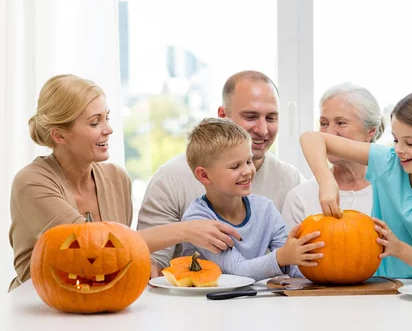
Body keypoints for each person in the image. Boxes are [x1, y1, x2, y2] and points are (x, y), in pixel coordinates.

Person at [8, 75, 241, 292]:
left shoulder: (116, 179)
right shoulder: (32, 182)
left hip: (102, 303)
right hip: (40, 306)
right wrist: (185, 230)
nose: (108, 130)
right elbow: (93, 249)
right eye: (94, 123)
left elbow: (120, 257)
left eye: (106, 118)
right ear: (60, 136)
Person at [300, 87, 412, 281]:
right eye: (396, 140)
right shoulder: (387, 162)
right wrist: (326, 180)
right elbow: (311, 138)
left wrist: (398, 249)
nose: (399, 150)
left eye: (410, 143)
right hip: (382, 289)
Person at [137, 71, 305, 277]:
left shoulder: (286, 184)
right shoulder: (171, 180)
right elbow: (152, 261)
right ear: (223, 115)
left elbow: (295, 260)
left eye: (271, 118)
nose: (262, 130)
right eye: (250, 116)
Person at [181, 118, 322, 281]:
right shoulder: (197, 221)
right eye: (235, 166)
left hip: (252, 302)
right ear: (204, 175)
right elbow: (237, 270)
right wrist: (281, 257)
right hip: (206, 303)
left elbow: (293, 264)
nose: (248, 171)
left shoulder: (265, 209)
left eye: (249, 161)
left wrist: (322, 268)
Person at [282, 83, 384, 227]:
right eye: (324, 123)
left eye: (341, 123)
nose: (329, 133)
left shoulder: (390, 192)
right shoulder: (300, 198)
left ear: (371, 131)